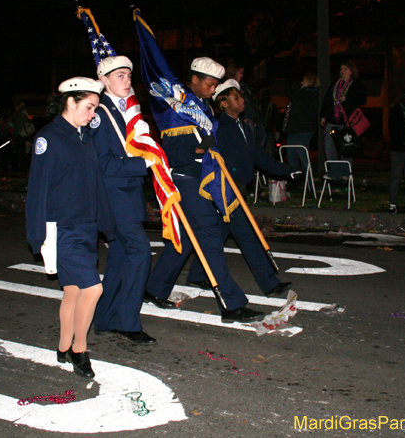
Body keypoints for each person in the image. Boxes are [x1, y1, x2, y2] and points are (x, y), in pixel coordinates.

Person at [145, 57, 265, 323]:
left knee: (189, 238)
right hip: (186, 179)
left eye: (215, 86)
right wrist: (202, 148)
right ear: (195, 80)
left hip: (204, 179)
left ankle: (154, 288)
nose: (213, 90)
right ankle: (232, 304)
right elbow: (173, 154)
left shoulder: (204, 109)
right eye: (210, 85)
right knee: (210, 235)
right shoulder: (177, 109)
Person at [25, 76, 113, 378]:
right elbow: (37, 189)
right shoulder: (49, 137)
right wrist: (37, 236)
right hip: (62, 229)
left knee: (74, 292)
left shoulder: (83, 136)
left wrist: (103, 222)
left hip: (86, 227)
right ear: (70, 103)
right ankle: (79, 349)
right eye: (89, 107)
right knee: (93, 288)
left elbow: (94, 182)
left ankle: (63, 347)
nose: (92, 115)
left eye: (95, 109)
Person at [185, 79, 295, 298]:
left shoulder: (243, 126)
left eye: (241, 96)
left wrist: (285, 171)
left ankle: (197, 275)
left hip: (239, 189)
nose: (242, 100)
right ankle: (269, 284)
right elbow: (217, 160)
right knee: (248, 236)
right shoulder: (220, 127)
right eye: (236, 97)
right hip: (227, 190)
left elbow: (258, 155)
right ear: (224, 103)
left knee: (215, 235)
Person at [88, 56, 157, 346]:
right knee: (140, 253)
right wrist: (143, 165)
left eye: (129, 75)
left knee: (119, 258)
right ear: (104, 81)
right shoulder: (100, 115)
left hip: (126, 196)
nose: (127, 81)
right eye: (120, 76)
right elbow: (102, 164)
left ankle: (104, 318)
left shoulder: (127, 111)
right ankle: (127, 322)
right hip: (114, 199)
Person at [320, 61, 367, 180]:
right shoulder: (335, 85)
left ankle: (346, 172)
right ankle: (334, 172)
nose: (342, 71)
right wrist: (323, 115)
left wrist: (348, 98)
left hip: (346, 122)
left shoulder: (356, 84)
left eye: (345, 69)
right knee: (329, 146)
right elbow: (327, 101)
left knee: (346, 146)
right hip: (332, 121)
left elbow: (363, 99)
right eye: (341, 69)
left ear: (351, 71)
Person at [283, 73, 320, 174]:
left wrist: (289, 83)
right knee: (291, 154)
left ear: (309, 81)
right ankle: (296, 177)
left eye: (303, 80)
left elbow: (294, 97)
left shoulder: (310, 94)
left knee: (302, 154)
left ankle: (308, 180)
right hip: (295, 129)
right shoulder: (303, 93)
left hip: (303, 129)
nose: (301, 82)